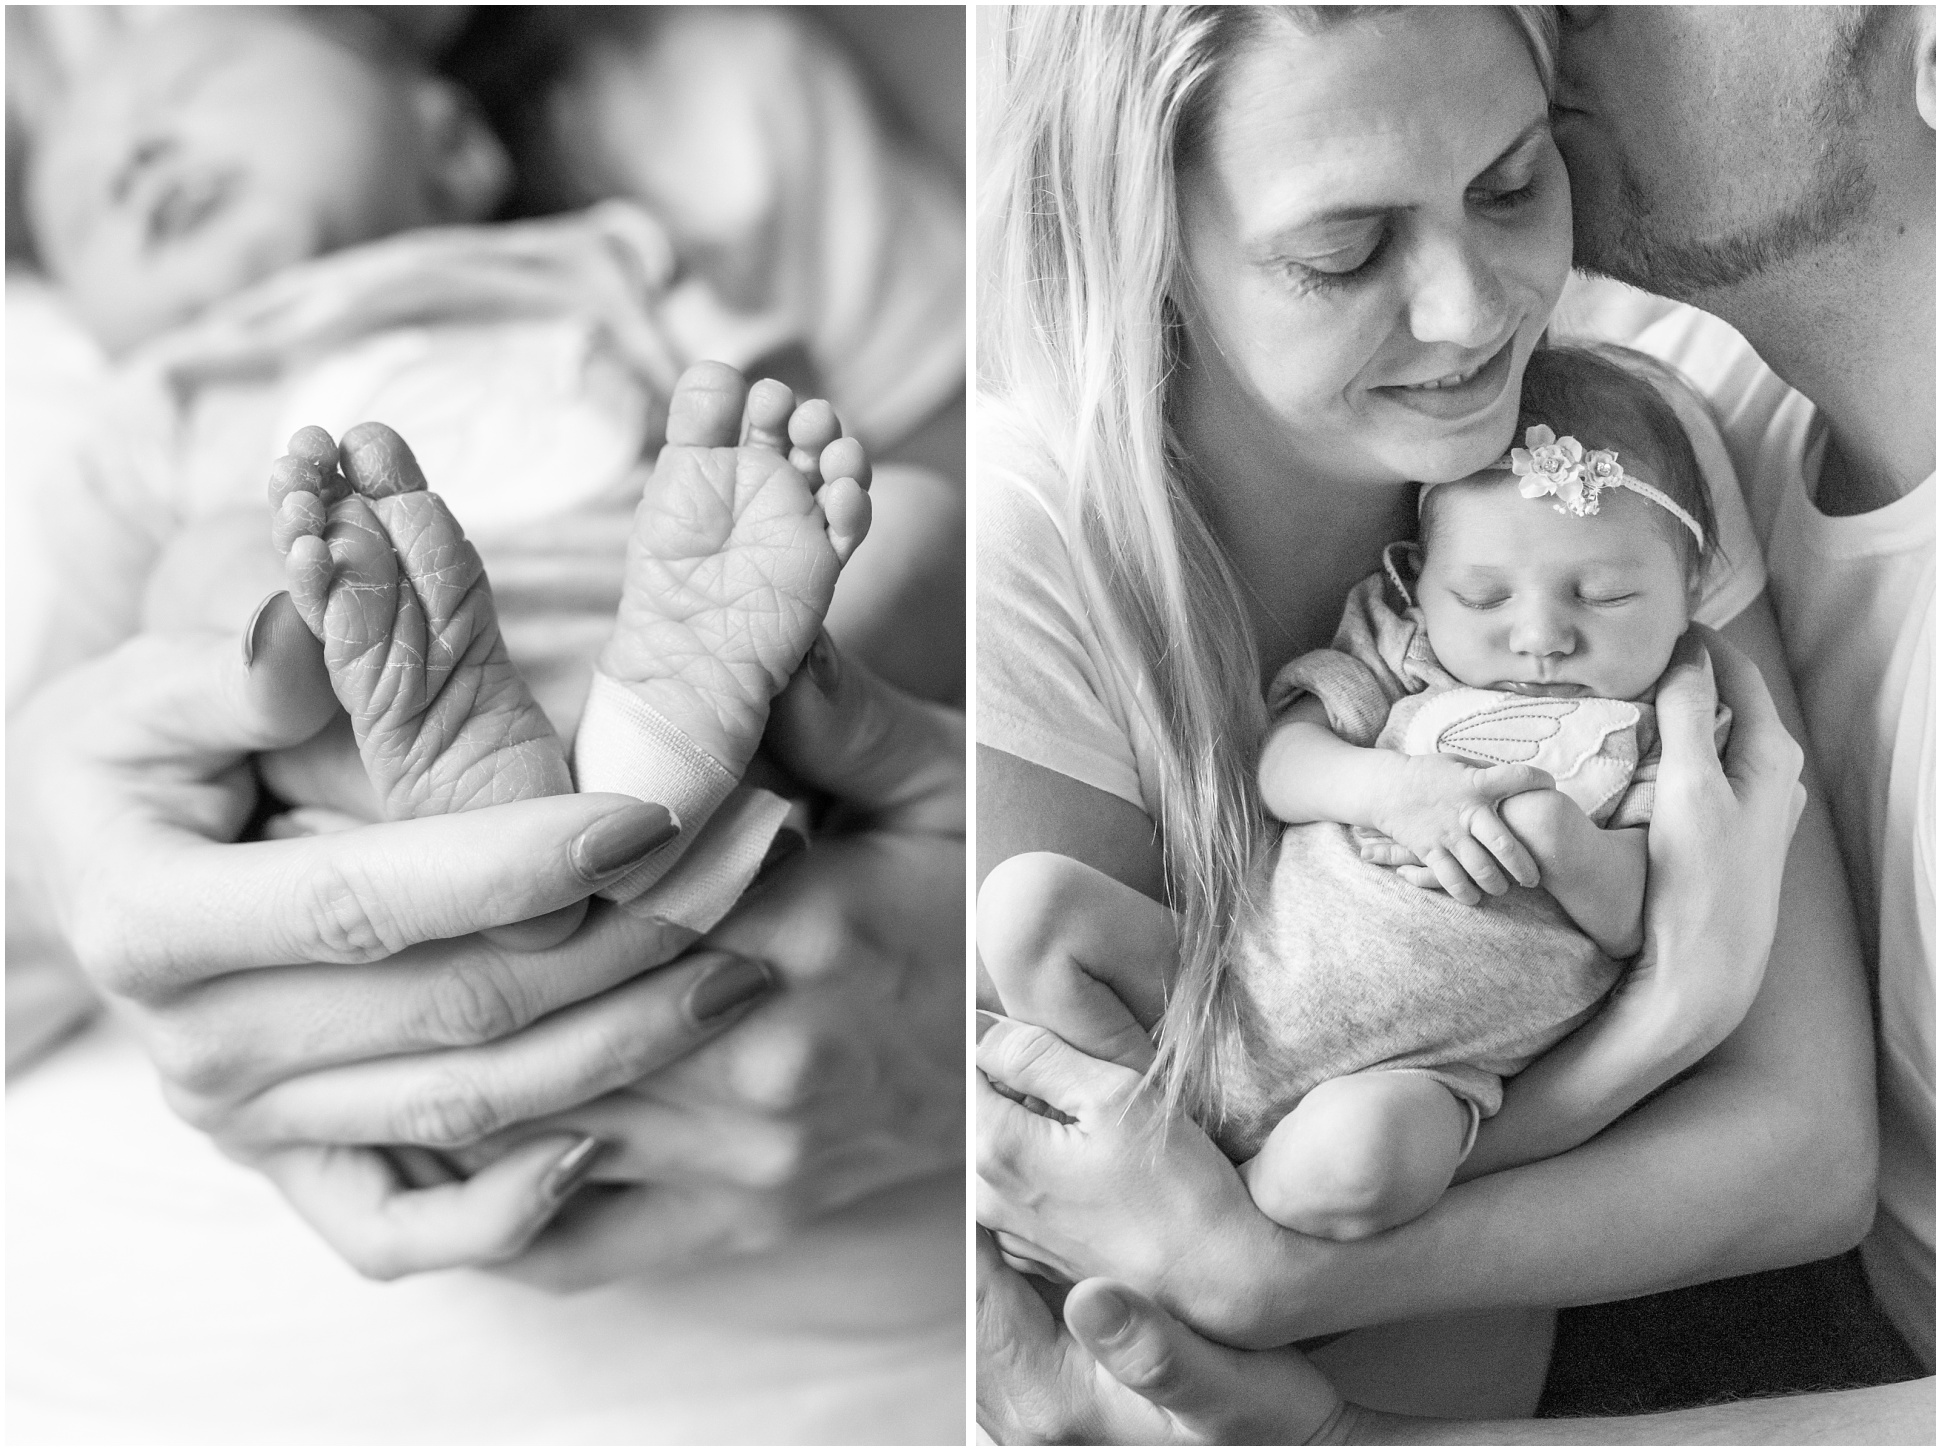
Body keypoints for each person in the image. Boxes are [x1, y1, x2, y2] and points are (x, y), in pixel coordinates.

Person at [7, 6, 966, 1442]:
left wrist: (775, 492)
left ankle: (657, 726)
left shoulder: (601, 264)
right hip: (375, 856)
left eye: (201, 82)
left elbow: (786, 434)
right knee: (216, 580)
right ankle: (481, 788)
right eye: (79, 190)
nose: (133, 142)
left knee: (911, 522)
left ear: (449, 142)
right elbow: (61, 722)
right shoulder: (153, 408)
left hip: (655, 651)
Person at [978, 3, 1934, 1441]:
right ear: (1149, 251)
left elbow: (1801, 1153)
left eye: (1510, 186)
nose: (1475, 311)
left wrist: (1264, 1263)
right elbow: (1039, 1233)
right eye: (1344, 253)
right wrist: (1662, 1022)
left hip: (1472, 1302)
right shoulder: (1046, 561)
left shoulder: (1610, 440)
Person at [983, 344, 1731, 1245]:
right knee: (1027, 907)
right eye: (1482, 595)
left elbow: (1638, 925)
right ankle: (1154, 1148)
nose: (1539, 637)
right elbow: (1281, 763)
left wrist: (1560, 837)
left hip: (1410, 1079)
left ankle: (1225, 1221)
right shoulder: (1400, 648)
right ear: (1416, 581)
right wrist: (1388, 789)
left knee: (1370, 1158)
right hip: (1216, 986)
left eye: (1605, 595)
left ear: (1687, 590)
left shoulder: (1662, 728)